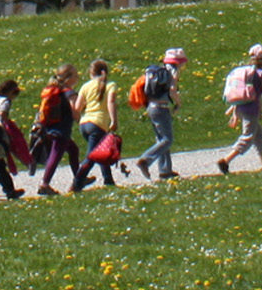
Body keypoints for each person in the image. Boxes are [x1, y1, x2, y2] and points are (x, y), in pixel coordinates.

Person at [215, 44, 262, 173]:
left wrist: (235, 113)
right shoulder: (261, 75)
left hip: (243, 107)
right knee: (248, 137)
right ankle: (225, 160)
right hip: (251, 110)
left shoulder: (246, 72)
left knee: (259, 136)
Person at [133, 47, 185, 179]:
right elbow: (172, 90)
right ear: (178, 62)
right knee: (167, 140)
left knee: (161, 139)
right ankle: (145, 160)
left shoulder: (156, 71)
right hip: (161, 108)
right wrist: (178, 103)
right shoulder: (173, 71)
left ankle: (165, 170)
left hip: (151, 107)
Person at [33, 66, 86, 192]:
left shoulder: (54, 89)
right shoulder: (68, 92)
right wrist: (81, 120)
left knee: (73, 149)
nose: (77, 77)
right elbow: (75, 112)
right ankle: (44, 184)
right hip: (61, 130)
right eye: (75, 75)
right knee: (55, 156)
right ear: (68, 78)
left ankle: (79, 179)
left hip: (50, 128)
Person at [78, 59, 124, 186]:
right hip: (98, 124)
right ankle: (77, 181)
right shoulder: (110, 85)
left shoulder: (85, 86)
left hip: (84, 124)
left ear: (91, 73)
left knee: (101, 151)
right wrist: (114, 120)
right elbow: (111, 102)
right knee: (92, 156)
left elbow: (78, 106)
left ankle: (108, 179)